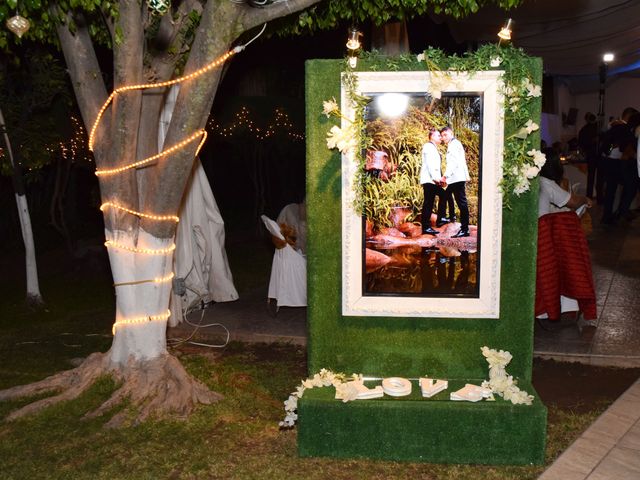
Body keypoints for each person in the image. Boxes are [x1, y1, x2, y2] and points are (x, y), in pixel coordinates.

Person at [600, 107, 639, 223]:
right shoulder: (621, 126)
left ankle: (613, 214)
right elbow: (623, 146)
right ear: (629, 116)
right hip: (612, 161)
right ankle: (611, 215)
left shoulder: (614, 124)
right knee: (615, 189)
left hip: (609, 160)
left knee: (613, 189)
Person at [539, 148, 592, 217]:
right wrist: (585, 199)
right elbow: (573, 202)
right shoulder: (546, 183)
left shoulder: (537, 180)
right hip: (547, 224)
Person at [440, 126, 470, 238]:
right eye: (442, 136)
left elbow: (454, 163)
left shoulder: (454, 144)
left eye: (445, 135)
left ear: (451, 133)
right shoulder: (454, 144)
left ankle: (464, 229)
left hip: (457, 178)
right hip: (455, 178)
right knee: (446, 196)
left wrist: (445, 177)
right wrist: (447, 179)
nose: (443, 137)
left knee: (461, 203)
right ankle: (449, 218)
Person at [420, 128, 445, 235]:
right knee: (428, 203)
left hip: (433, 180)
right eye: (438, 135)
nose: (440, 137)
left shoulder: (433, 148)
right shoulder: (428, 147)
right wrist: (436, 178)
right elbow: (430, 165)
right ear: (432, 137)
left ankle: (440, 219)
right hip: (430, 180)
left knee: (444, 195)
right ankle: (426, 227)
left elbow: (435, 166)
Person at [578, 112, 599, 198]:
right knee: (596, 177)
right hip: (595, 155)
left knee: (592, 177)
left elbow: (581, 144)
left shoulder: (584, 130)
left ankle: (591, 195)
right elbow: (582, 144)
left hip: (592, 155)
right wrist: (592, 141)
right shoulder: (596, 128)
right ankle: (596, 196)